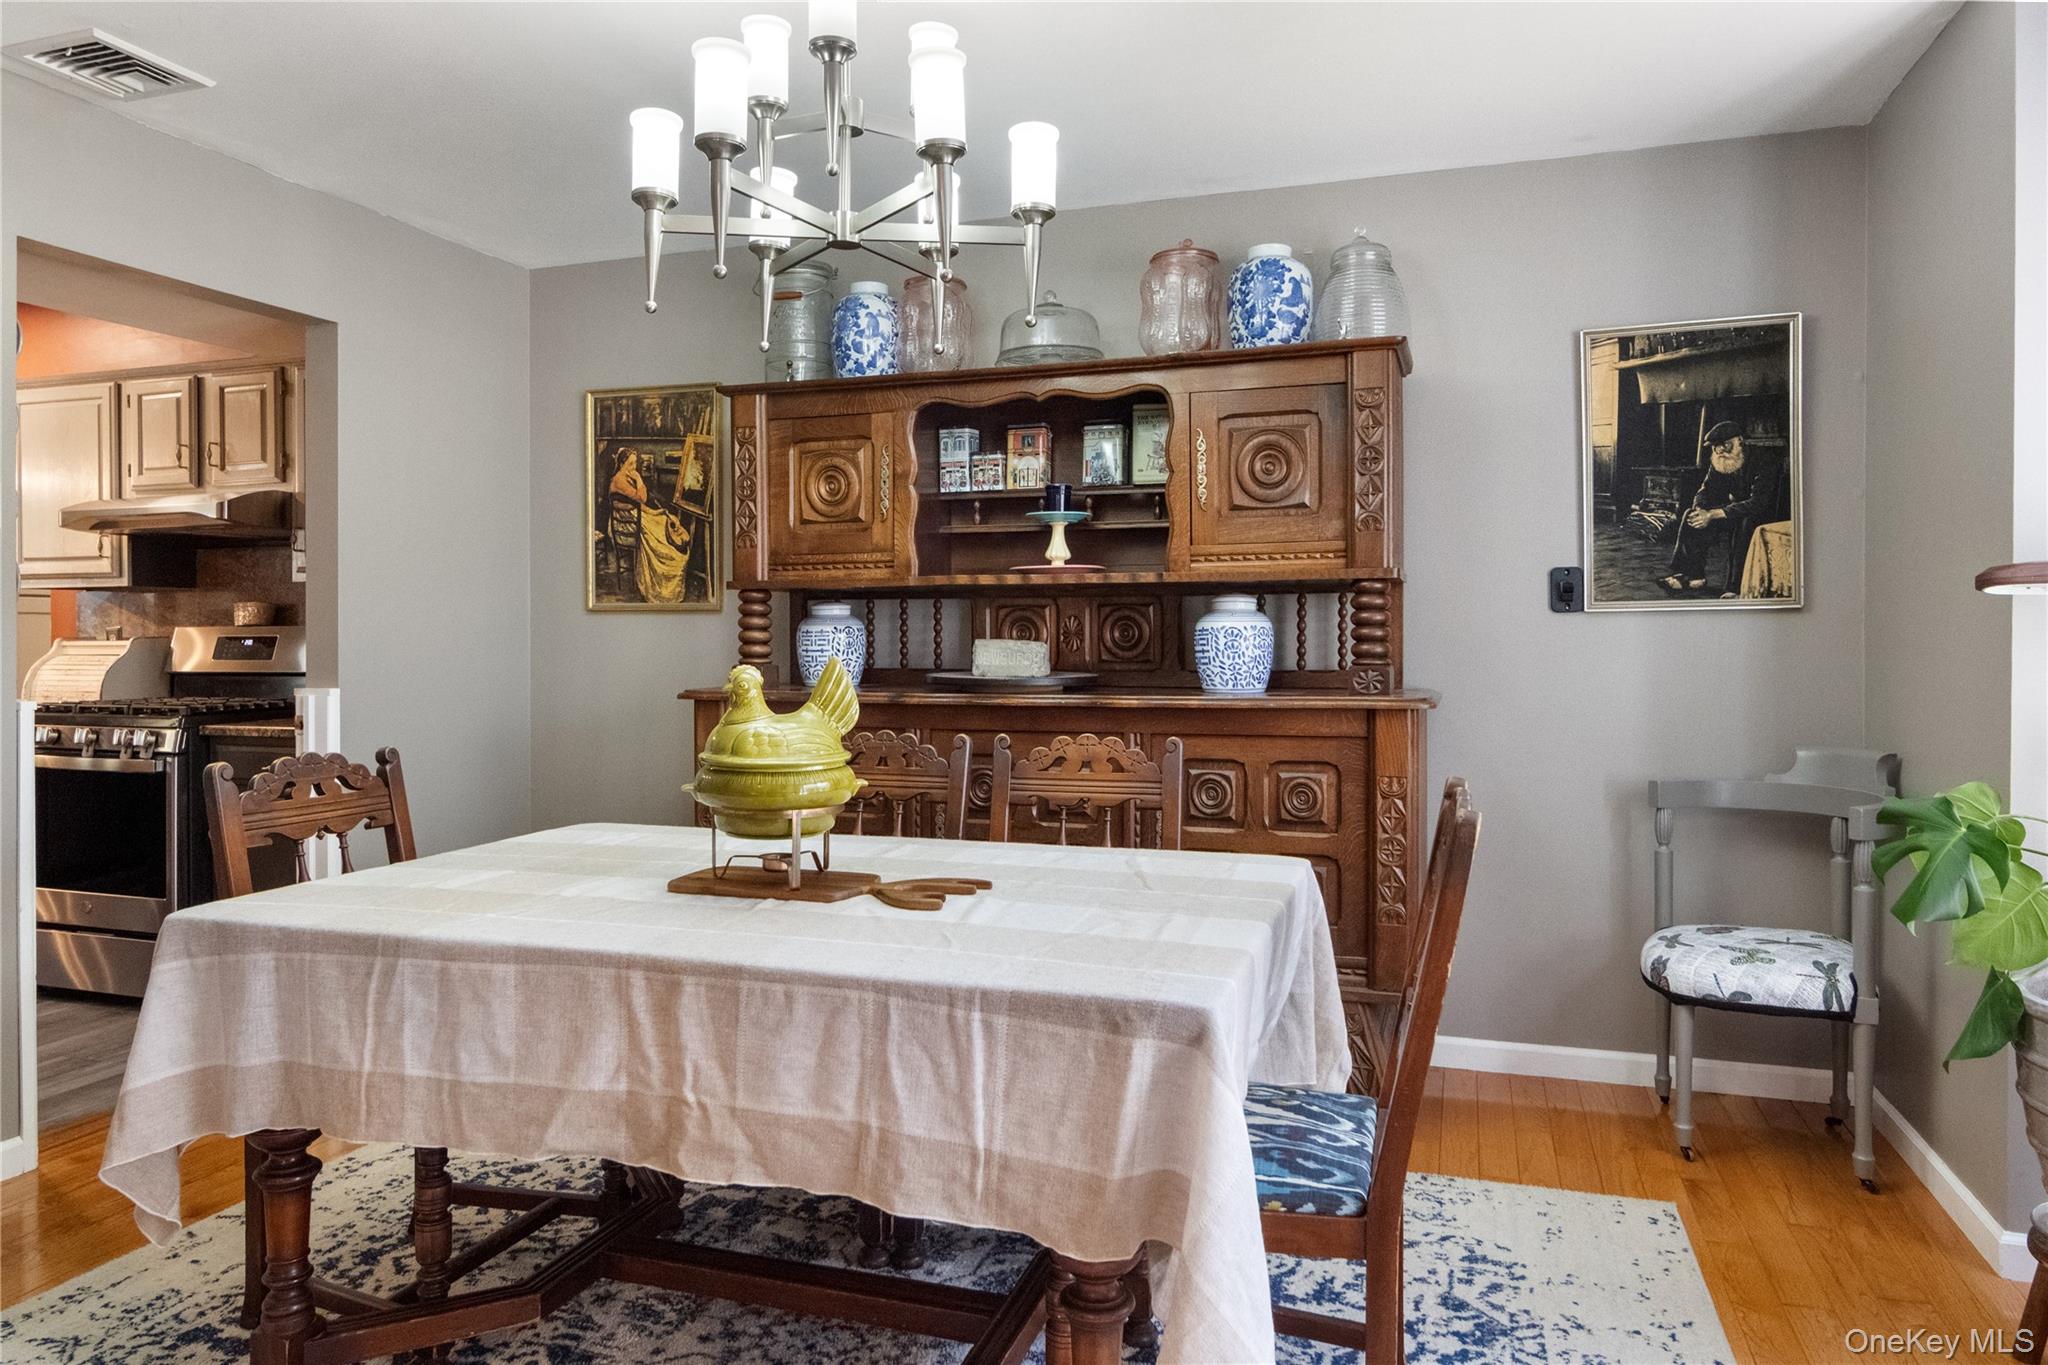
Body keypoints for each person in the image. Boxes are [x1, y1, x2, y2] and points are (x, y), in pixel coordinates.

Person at [1660, 420, 1787, 598]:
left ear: (1740, 441)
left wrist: (1713, 514)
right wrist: (1701, 510)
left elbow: (1758, 503)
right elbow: (1705, 491)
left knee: (1745, 523)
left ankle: (1736, 588)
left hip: (1762, 514)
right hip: (1733, 510)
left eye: (1725, 445)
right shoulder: (1719, 460)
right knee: (1691, 515)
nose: (1720, 450)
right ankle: (1691, 575)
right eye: (1715, 446)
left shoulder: (1764, 460)